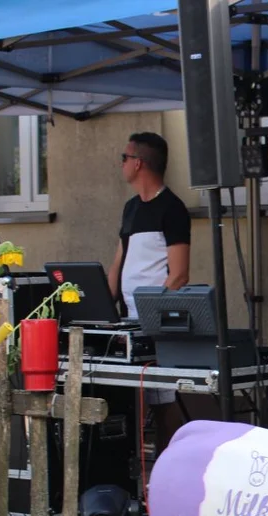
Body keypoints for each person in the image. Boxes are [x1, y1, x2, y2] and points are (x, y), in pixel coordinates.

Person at [107, 132, 191, 454]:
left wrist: (153, 313)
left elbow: (180, 273)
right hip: (126, 320)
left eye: (124, 158)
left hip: (155, 322)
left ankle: (169, 464)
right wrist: (105, 308)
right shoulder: (130, 209)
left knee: (161, 399)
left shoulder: (172, 208)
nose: (121, 164)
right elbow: (119, 260)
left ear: (138, 163)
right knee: (129, 399)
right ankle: (131, 466)